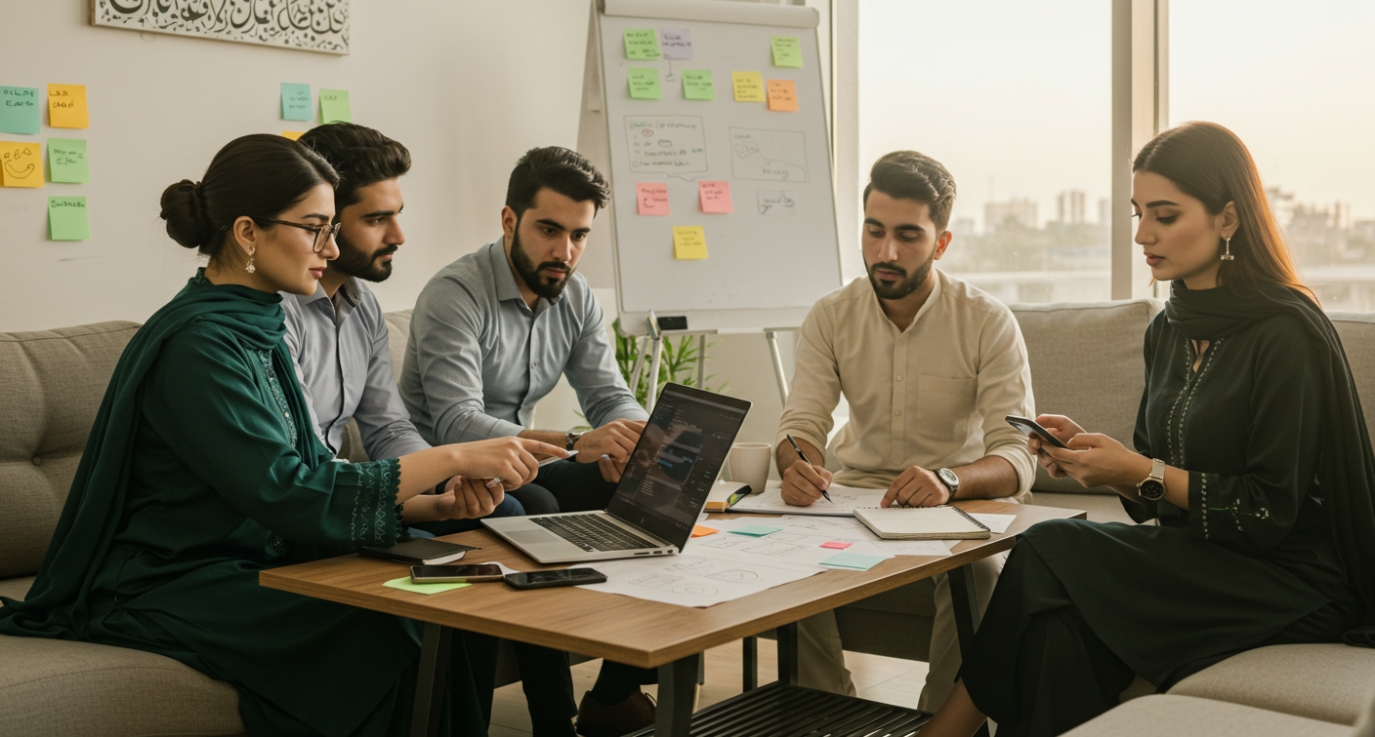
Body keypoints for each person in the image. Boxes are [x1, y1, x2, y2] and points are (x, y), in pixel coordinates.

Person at [0, 133, 565, 737]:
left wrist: (437, 503)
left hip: (253, 555)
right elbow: (288, 490)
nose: (331, 246)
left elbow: (300, 479)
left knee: (447, 598)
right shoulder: (199, 345)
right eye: (315, 228)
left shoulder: (256, 321)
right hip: (170, 578)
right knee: (392, 624)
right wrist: (452, 456)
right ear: (248, 233)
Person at [921, 121, 1375, 737]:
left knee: (1048, 545)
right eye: (1138, 214)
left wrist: (1140, 472)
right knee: (1057, 633)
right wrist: (1100, 459)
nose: (1142, 235)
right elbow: (1159, 482)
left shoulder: (1285, 333)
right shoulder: (1168, 328)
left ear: (1229, 219)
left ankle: (943, 730)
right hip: (1200, 563)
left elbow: (1269, 510)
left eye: (1164, 215)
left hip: (1291, 582)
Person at [399, 146, 656, 737]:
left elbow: (609, 395)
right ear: (509, 220)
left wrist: (636, 441)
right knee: (535, 509)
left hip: (521, 462)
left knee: (648, 488)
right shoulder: (455, 295)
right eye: (549, 230)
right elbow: (457, 421)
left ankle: (614, 694)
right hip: (442, 467)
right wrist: (578, 441)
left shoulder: (576, 295)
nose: (563, 251)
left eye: (578, 235)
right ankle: (553, 722)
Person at [776, 150, 1036, 710]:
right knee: (778, 553)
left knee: (985, 571)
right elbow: (800, 426)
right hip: (853, 495)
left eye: (908, 236)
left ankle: (937, 722)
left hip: (957, 502)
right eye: (874, 232)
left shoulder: (987, 321)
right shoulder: (830, 314)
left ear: (941, 243)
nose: (885, 253)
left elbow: (1018, 454)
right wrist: (796, 464)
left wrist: (948, 479)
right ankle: (825, 713)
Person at [285, 122, 521, 531]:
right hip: (320, 502)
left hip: (357, 489)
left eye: (397, 215)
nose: (399, 236)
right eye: (377, 219)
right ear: (323, 223)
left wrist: (442, 482)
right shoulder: (276, 313)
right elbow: (309, 474)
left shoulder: (364, 307)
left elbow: (388, 427)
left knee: (508, 507)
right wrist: (438, 477)